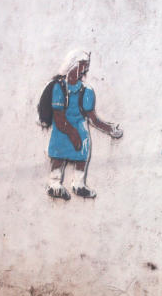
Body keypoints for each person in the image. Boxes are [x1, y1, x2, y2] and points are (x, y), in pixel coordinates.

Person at [45, 49, 123, 200]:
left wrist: (109, 129)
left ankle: (79, 184)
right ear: (73, 64)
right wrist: (72, 133)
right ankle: (54, 183)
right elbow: (59, 116)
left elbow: (92, 117)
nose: (85, 69)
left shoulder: (87, 91)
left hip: (81, 132)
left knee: (82, 155)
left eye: (86, 65)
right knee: (58, 155)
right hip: (62, 129)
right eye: (82, 64)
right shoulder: (59, 87)